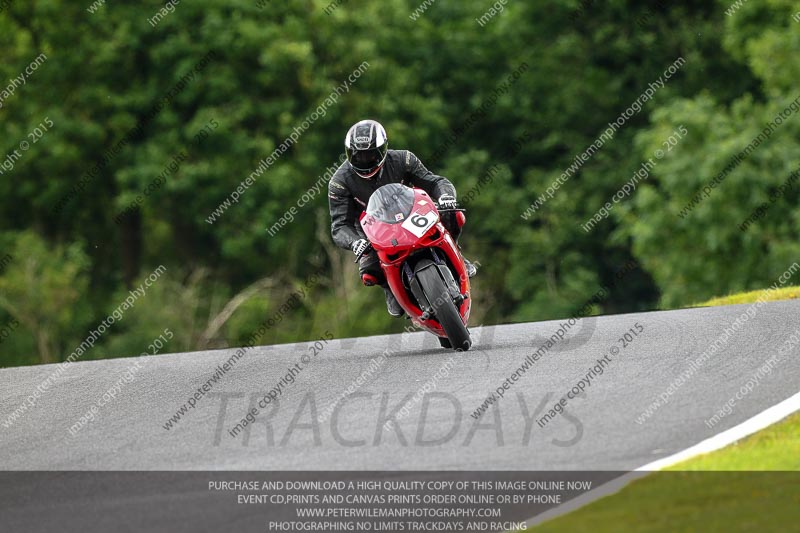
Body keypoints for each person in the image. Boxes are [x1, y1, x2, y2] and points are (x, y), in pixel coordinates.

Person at [327, 119, 476, 317]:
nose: (364, 160)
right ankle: (390, 288)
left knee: (454, 215)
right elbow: (339, 226)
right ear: (348, 153)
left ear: (383, 149)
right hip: (372, 231)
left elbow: (435, 182)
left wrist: (446, 197)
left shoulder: (403, 159)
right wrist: (356, 243)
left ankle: (456, 252)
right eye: (357, 155)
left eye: (370, 153)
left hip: (411, 213)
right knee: (369, 272)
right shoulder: (339, 182)